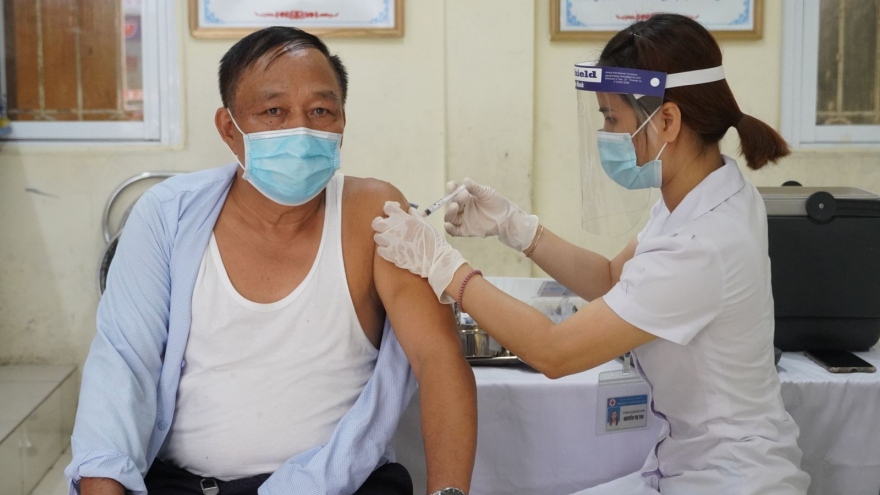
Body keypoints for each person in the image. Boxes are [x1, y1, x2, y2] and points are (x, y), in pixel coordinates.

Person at [372, 14, 810, 495]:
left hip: (730, 480)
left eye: (611, 118)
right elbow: (610, 279)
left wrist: (444, 267)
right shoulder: (706, 194)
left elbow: (554, 352)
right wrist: (518, 229)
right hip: (691, 465)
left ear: (667, 120)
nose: (605, 133)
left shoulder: (703, 244)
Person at [65, 26, 476, 495]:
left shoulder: (375, 217)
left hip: (339, 486)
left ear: (343, 121)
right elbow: (121, 367)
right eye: (273, 111)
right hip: (183, 486)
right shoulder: (168, 215)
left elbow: (438, 358)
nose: (300, 130)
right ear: (229, 129)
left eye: (320, 111)